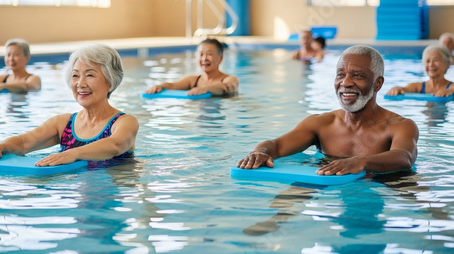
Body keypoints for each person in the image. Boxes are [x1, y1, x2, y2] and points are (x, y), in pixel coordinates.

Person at [238, 45, 418, 175]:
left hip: (385, 184)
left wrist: (362, 161)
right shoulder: (320, 124)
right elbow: (276, 145)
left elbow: (404, 157)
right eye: (340, 75)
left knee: (422, 199)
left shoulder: (400, 126)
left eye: (357, 76)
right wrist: (260, 152)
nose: (345, 83)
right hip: (327, 181)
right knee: (290, 199)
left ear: (377, 84)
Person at [0, 44, 139, 166]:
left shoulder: (124, 122)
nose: (80, 84)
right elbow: (23, 142)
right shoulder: (63, 124)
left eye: (90, 75)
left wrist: (73, 153)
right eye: (75, 76)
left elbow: (115, 145)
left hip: (112, 197)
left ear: (110, 82)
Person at [144, 38, 239, 96]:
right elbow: (173, 85)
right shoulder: (193, 80)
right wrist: (160, 86)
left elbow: (226, 87)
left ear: (220, 58)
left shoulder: (230, 79)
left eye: (209, 54)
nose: (204, 58)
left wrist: (205, 89)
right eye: (201, 54)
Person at [386, 45, 453, 97]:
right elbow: (404, 89)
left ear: (447, 64)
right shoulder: (417, 87)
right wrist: (397, 89)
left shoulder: (451, 87)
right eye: (427, 61)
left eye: (436, 60)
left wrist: (450, 91)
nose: (431, 64)